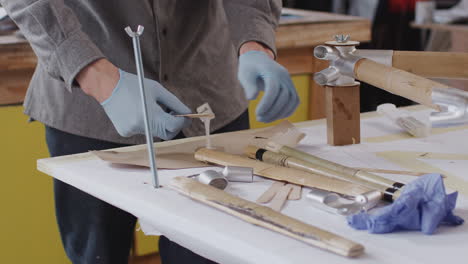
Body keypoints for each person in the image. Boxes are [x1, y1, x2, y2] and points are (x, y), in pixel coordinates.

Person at [0, 0, 299, 263]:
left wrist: (254, 45)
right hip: (88, 107)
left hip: (210, 97)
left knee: (211, 250)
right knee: (98, 254)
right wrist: (96, 77)